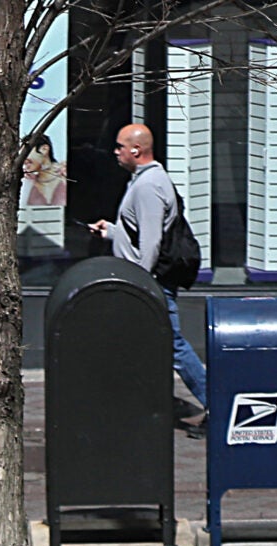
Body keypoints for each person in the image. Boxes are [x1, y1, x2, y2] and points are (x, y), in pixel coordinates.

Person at [90, 124, 206, 424]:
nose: (115, 151)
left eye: (119, 146)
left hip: (149, 283)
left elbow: (151, 242)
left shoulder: (149, 185)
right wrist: (111, 232)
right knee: (141, 343)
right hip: (145, 280)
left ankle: (216, 402)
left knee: (172, 345)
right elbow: (139, 235)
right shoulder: (143, 181)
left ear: (136, 150)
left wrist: (141, 286)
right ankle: (139, 402)